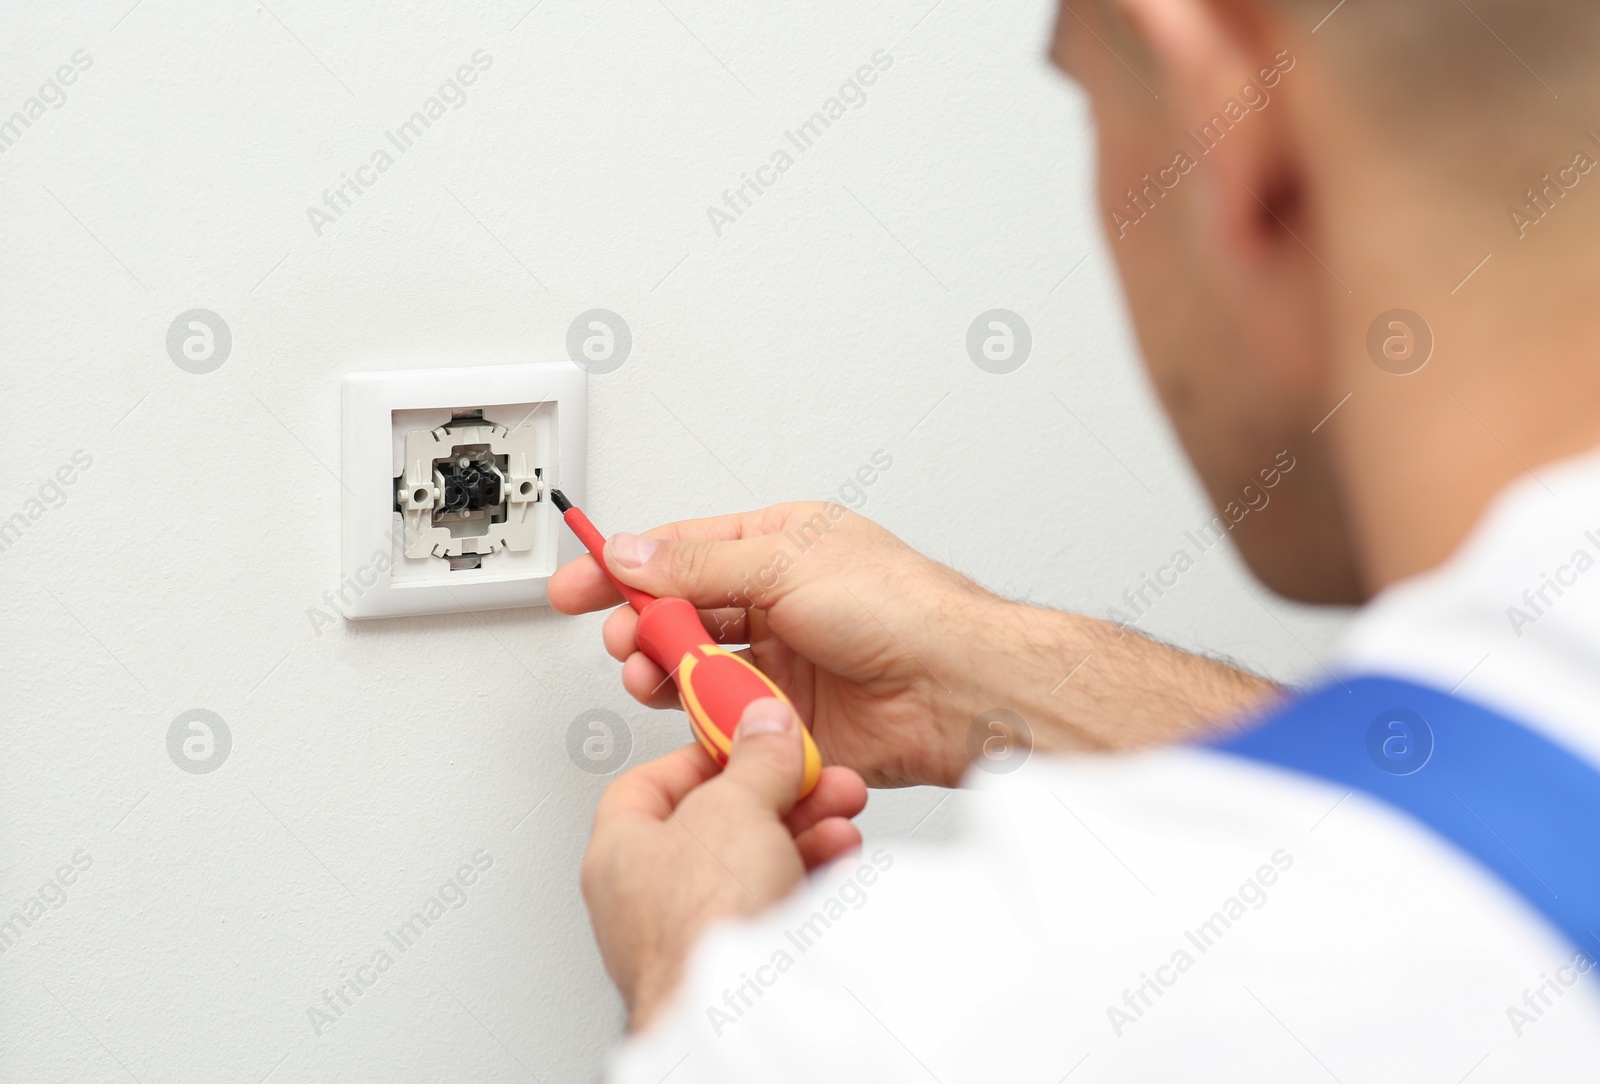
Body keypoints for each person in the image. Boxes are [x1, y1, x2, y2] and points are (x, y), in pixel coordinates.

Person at [549, 0, 1600, 1077]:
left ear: (1229, 112)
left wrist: (700, 994)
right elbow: (1491, 806)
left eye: (1086, 100)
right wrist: (986, 670)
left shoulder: (1000, 1016)